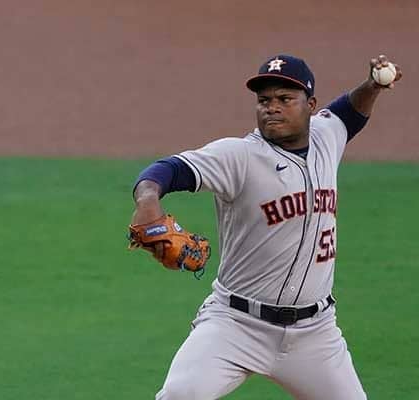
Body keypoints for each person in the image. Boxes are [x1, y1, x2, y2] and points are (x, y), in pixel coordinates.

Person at [129, 53, 402, 399]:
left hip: (314, 335)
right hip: (235, 325)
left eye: (285, 99)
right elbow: (167, 170)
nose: (272, 107)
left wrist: (373, 86)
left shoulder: (326, 136)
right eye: (264, 100)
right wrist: (148, 200)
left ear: (310, 106)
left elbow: (350, 111)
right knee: (180, 395)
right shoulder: (239, 156)